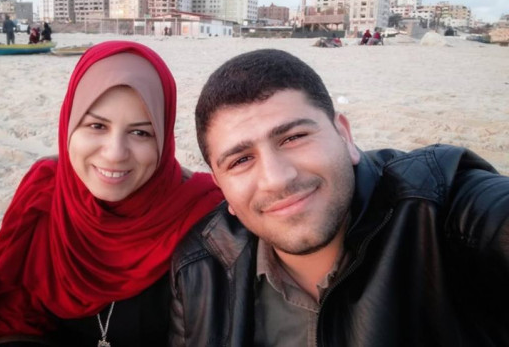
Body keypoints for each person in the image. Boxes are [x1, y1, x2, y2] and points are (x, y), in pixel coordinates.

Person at [169, 48, 509, 346]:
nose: (276, 179)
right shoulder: (199, 271)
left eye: (294, 137)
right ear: (221, 187)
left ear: (344, 136)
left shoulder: (438, 208)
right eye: (241, 160)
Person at [0, 41, 223, 346]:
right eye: (97, 125)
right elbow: (13, 317)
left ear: (163, 139)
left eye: (140, 132)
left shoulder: (203, 217)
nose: (115, 153)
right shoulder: (44, 193)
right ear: (69, 124)